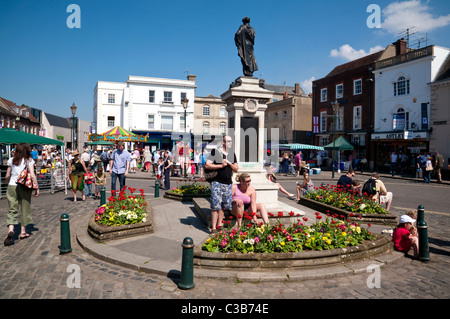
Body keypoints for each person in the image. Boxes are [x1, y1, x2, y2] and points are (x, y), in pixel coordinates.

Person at [4, 143, 39, 246]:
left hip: (12, 186)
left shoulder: (12, 160)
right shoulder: (29, 160)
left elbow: (7, 175)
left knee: (12, 208)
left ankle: (11, 229)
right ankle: (23, 232)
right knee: (25, 207)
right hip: (24, 186)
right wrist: (36, 187)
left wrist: (8, 184)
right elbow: (32, 175)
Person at [205, 135, 239, 232]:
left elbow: (236, 169)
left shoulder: (232, 154)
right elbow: (207, 165)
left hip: (228, 183)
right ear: (223, 142)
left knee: (224, 206)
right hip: (217, 182)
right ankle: (213, 228)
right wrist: (221, 166)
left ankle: (220, 225)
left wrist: (229, 163)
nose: (230, 143)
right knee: (215, 206)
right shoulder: (216, 152)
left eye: (231, 141)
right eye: (228, 141)